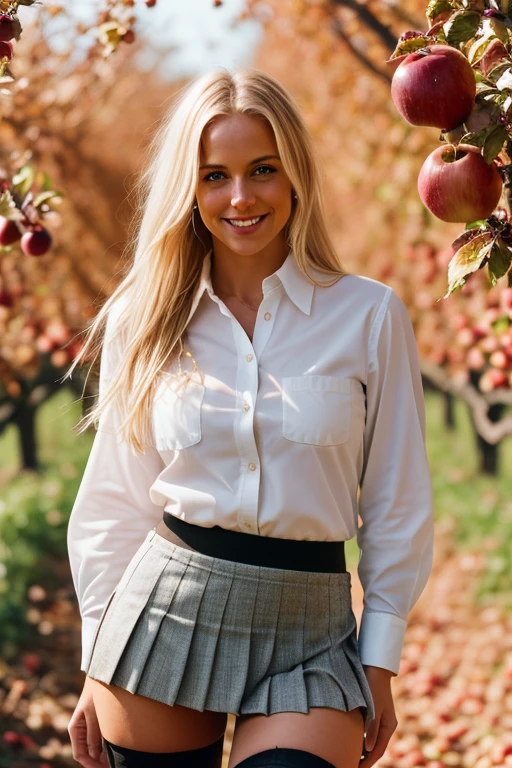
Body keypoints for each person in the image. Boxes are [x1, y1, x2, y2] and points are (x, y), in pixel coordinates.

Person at [64, 67, 434, 768]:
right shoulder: (143, 318)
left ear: (294, 174)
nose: (240, 197)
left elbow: (396, 501)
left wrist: (379, 658)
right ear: (190, 188)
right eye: (214, 175)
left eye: (261, 169)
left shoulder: (368, 315)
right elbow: (114, 498)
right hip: (163, 613)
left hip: (311, 635)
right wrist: (96, 655)